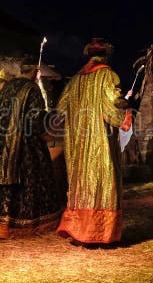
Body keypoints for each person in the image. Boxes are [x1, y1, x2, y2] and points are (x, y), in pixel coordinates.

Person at [0, 66, 64, 238]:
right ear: (34, 73)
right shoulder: (32, 88)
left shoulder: (6, 88)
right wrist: (50, 120)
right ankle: (19, 224)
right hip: (22, 144)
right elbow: (35, 118)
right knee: (28, 175)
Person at [56, 38, 132, 245]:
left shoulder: (74, 81)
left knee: (81, 182)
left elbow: (61, 109)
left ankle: (80, 230)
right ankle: (100, 233)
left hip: (77, 143)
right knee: (101, 179)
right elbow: (113, 104)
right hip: (99, 139)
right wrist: (125, 105)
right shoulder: (107, 75)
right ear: (106, 55)